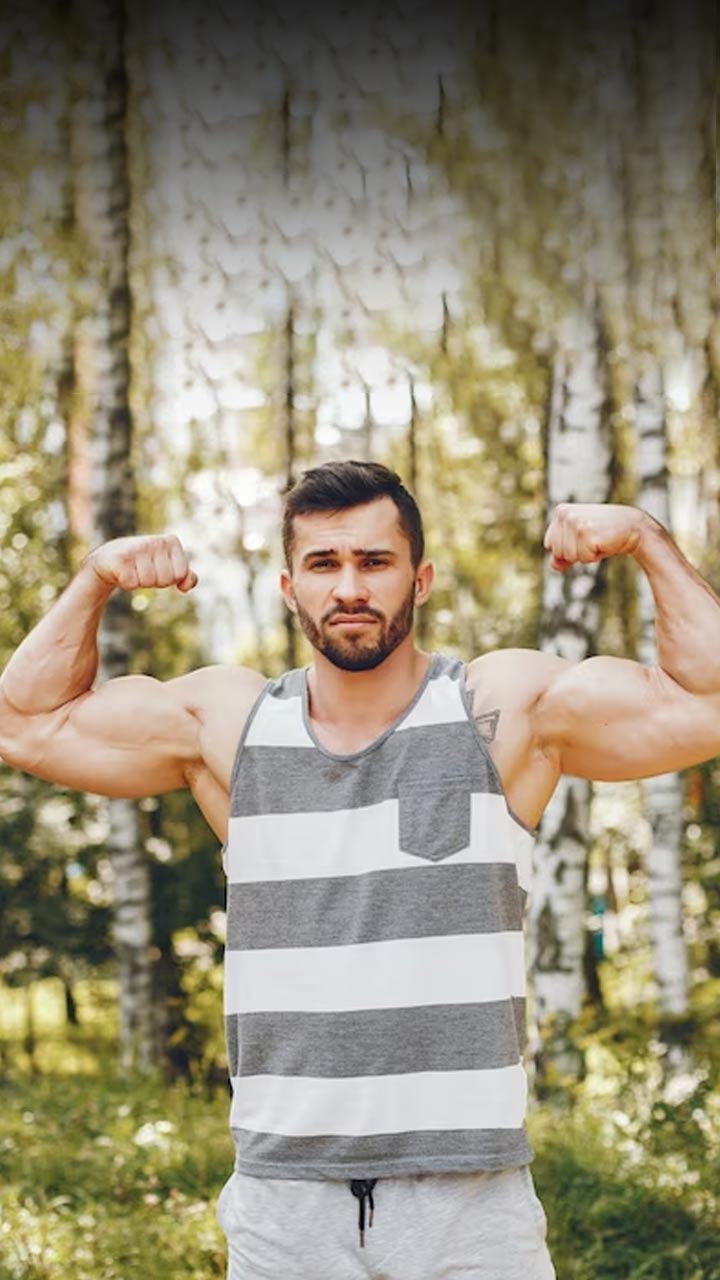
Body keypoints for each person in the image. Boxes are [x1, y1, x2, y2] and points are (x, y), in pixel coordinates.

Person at [2, 458, 720, 1280]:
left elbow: (706, 702)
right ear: (289, 587)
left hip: (470, 1203)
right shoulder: (233, 728)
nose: (349, 588)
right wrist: (95, 578)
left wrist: (647, 540)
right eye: (324, 564)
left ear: (421, 580)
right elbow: (24, 724)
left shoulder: (496, 711)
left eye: (374, 561)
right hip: (286, 1206)